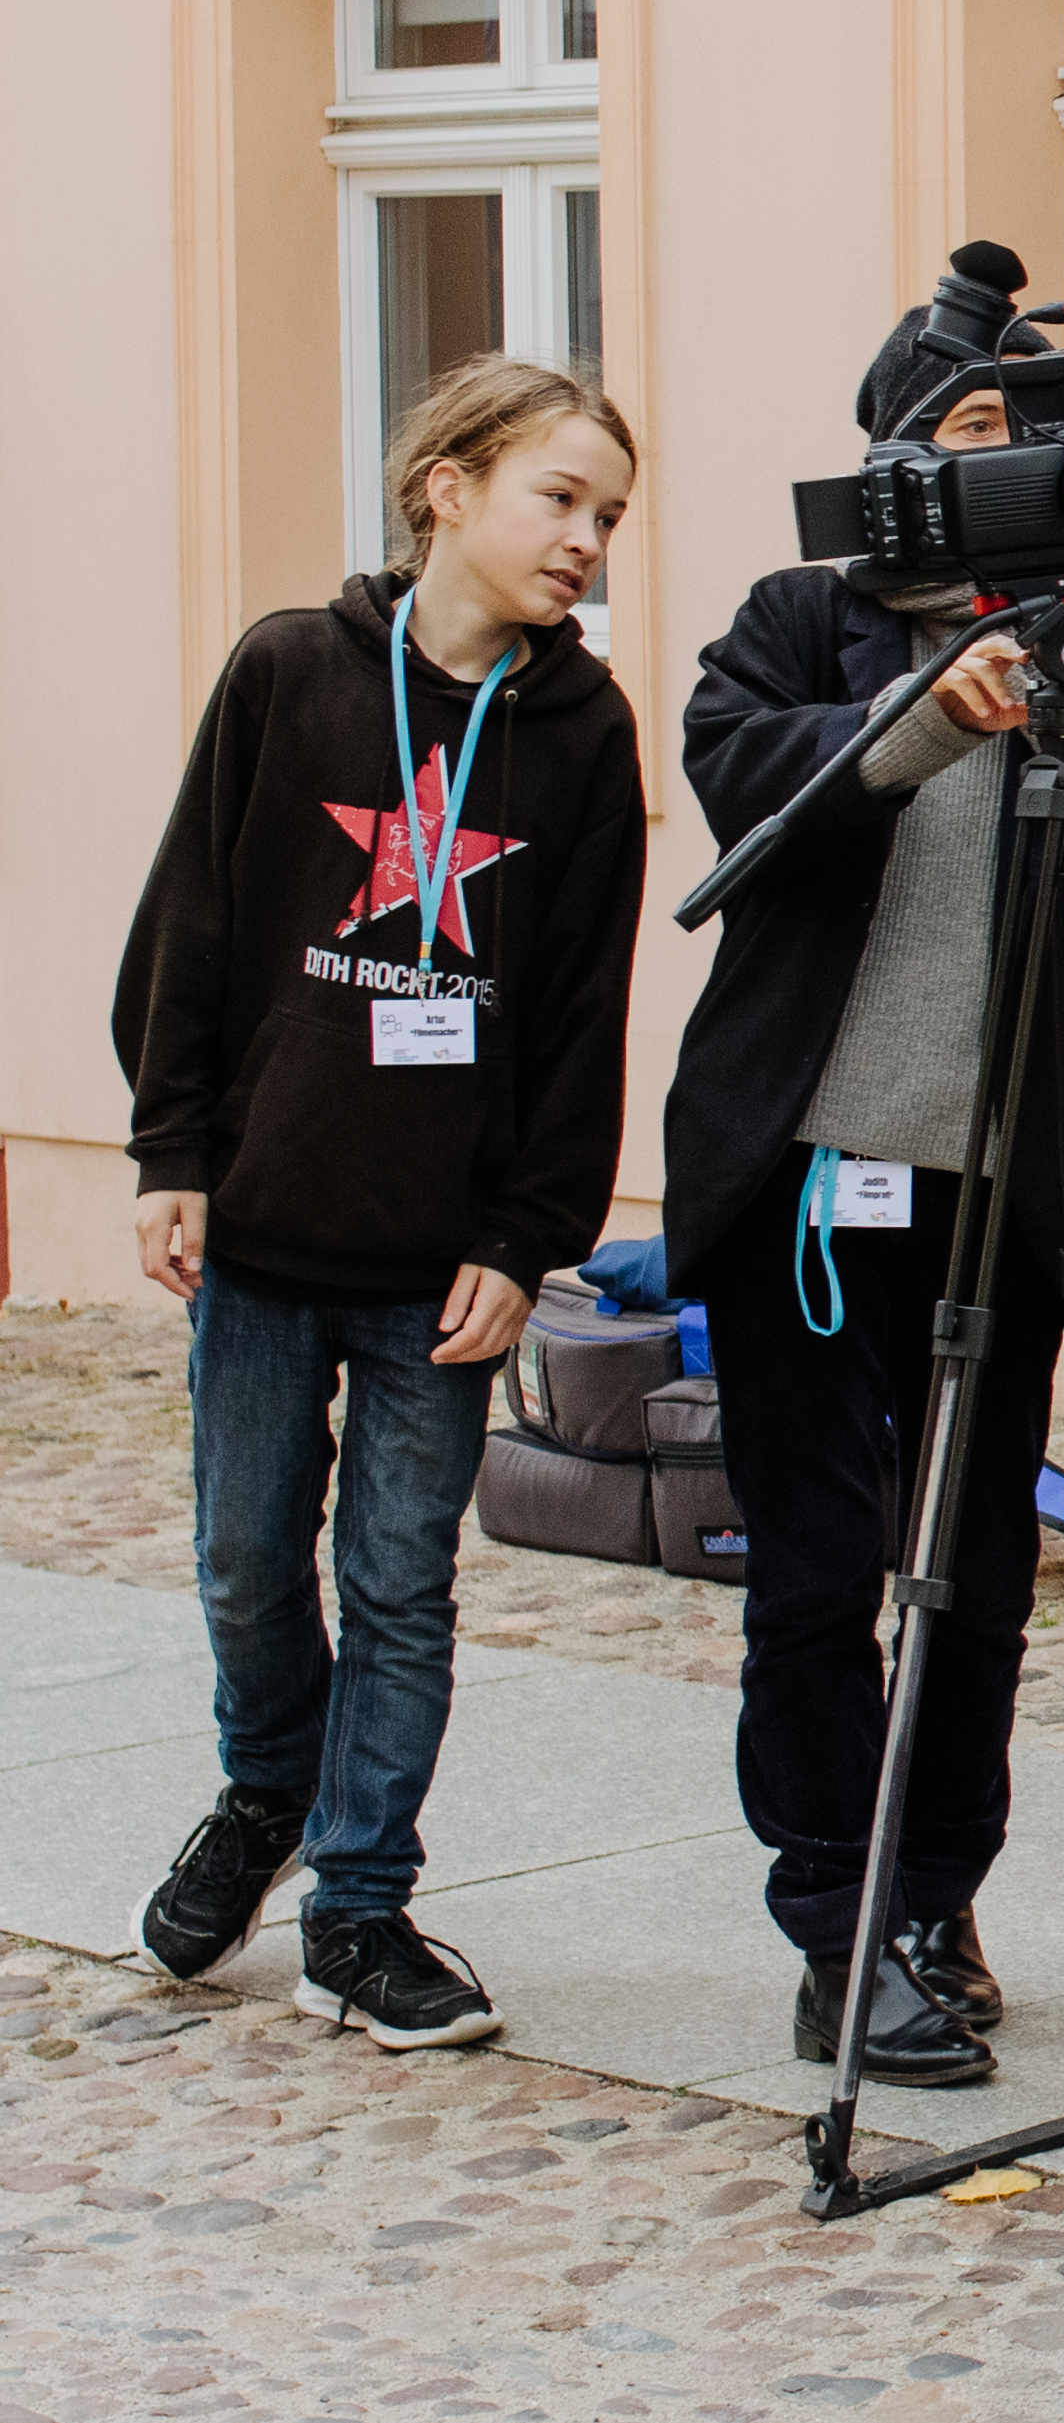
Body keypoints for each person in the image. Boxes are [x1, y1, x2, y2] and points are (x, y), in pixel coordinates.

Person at [656, 272, 1064, 2085]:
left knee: (980, 1573)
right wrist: (932, 708)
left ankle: (936, 1897)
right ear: (895, 450)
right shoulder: (803, 616)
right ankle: (837, 1919)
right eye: (970, 427)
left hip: (1022, 1185)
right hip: (815, 1181)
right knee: (816, 1572)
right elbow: (746, 777)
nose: (1008, 458)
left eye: (1033, 428)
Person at [116, 356, 646, 2047]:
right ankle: (269, 1785)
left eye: (609, 515)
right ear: (448, 487)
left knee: (402, 1582)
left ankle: (357, 1903)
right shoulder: (289, 668)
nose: (587, 540)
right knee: (245, 1559)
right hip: (266, 1231)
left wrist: (525, 1238)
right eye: (558, 498)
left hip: (443, 1263)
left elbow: (580, 1012)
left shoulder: (584, 732)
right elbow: (192, 924)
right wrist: (170, 1150)